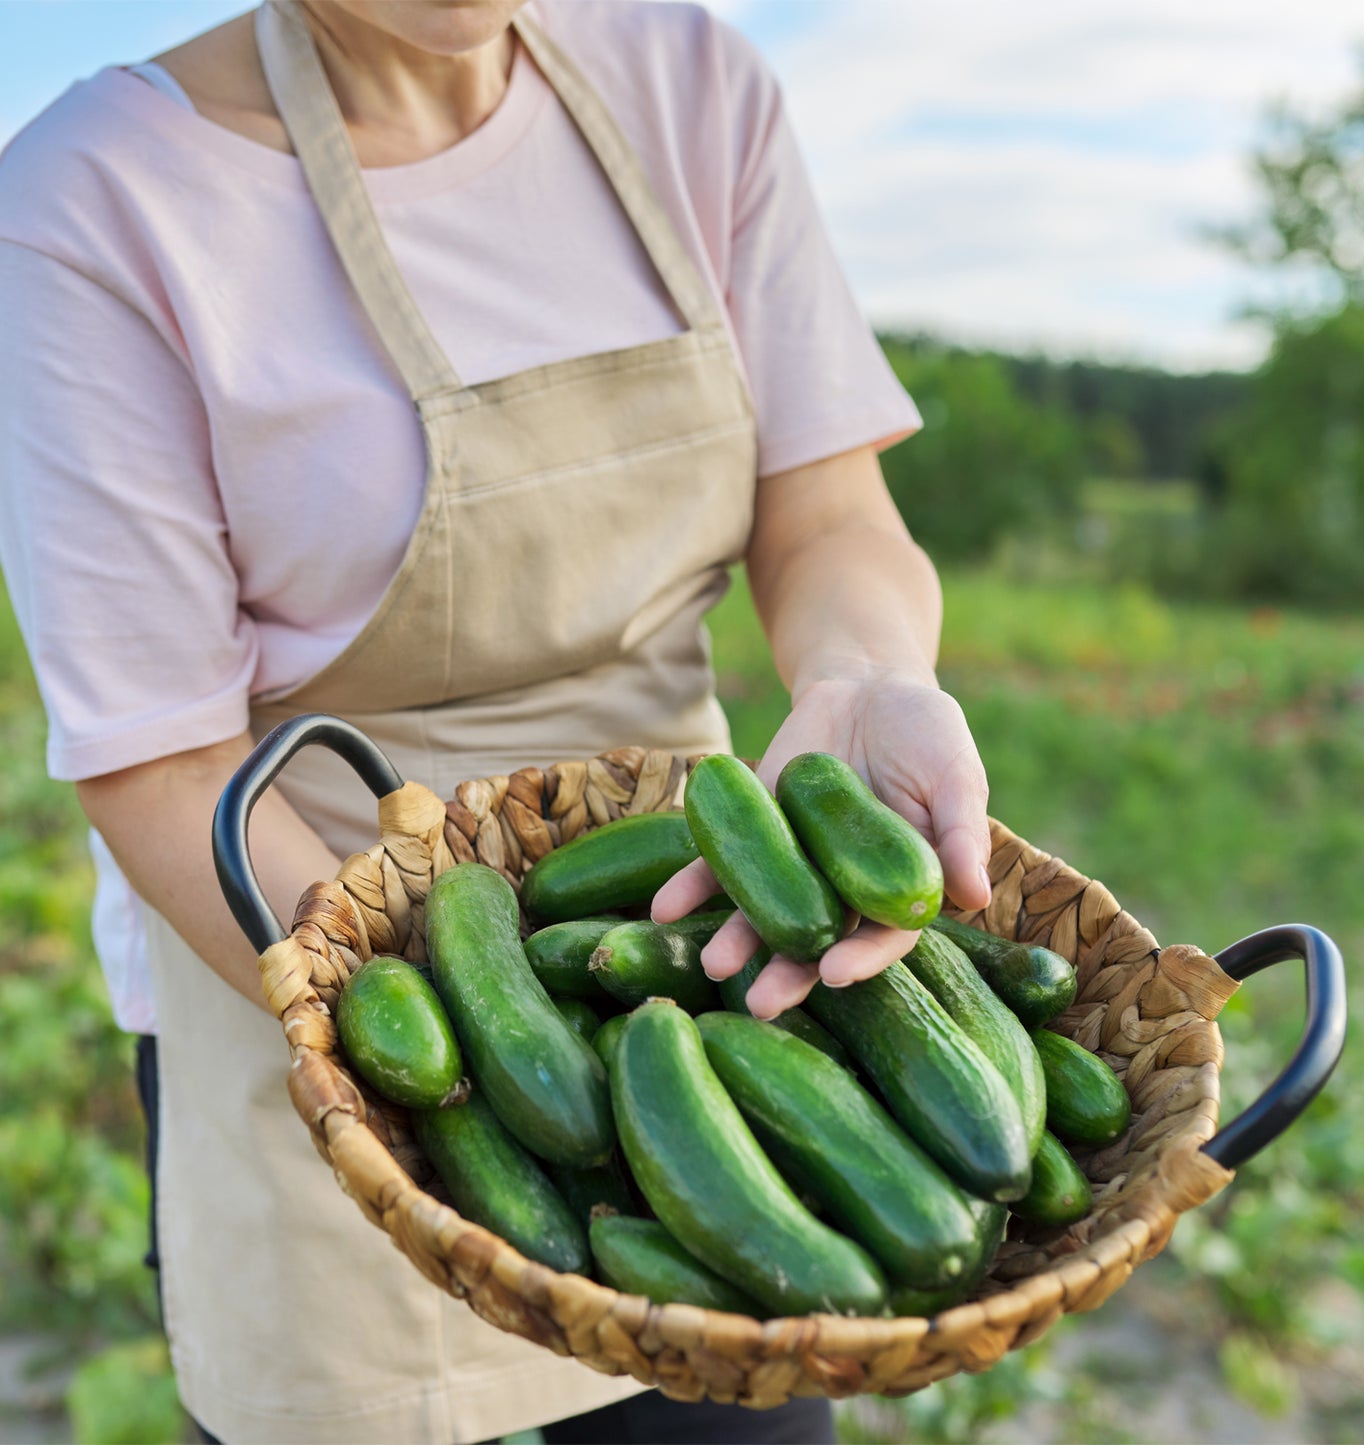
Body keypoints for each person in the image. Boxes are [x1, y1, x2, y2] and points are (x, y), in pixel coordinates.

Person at [0, 1, 992, 1440]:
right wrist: (435, 1036)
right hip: (316, 970)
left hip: (698, 945)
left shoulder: (692, 82)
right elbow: (165, 761)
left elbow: (828, 513)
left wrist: (865, 678)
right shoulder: (91, 201)